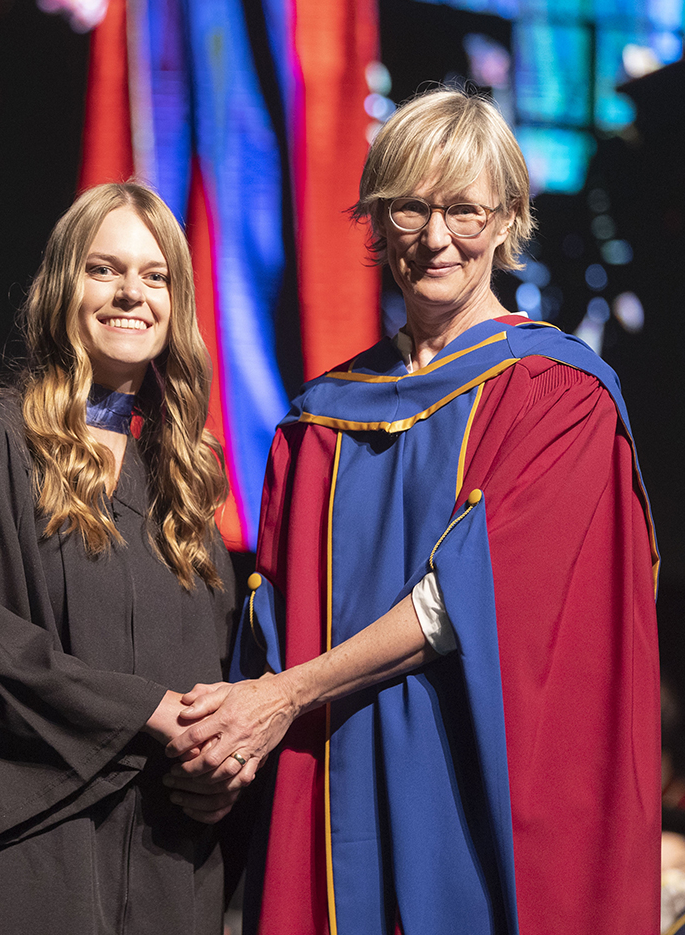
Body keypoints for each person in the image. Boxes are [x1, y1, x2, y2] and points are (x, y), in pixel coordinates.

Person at [161, 87, 661, 934]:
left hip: (467, 793)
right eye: (410, 210)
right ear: (375, 220)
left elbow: (466, 597)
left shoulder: (556, 396)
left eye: (465, 210)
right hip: (327, 791)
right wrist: (228, 746)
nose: (436, 239)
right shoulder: (321, 417)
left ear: (508, 220)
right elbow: (271, 622)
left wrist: (283, 697)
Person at [0, 182, 251, 934]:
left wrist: (226, 769)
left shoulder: (182, 489)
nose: (130, 294)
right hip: (20, 866)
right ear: (61, 287)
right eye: (103, 270)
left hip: (164, 871)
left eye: (155, 277)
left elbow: (218, 677)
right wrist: (148, 713)